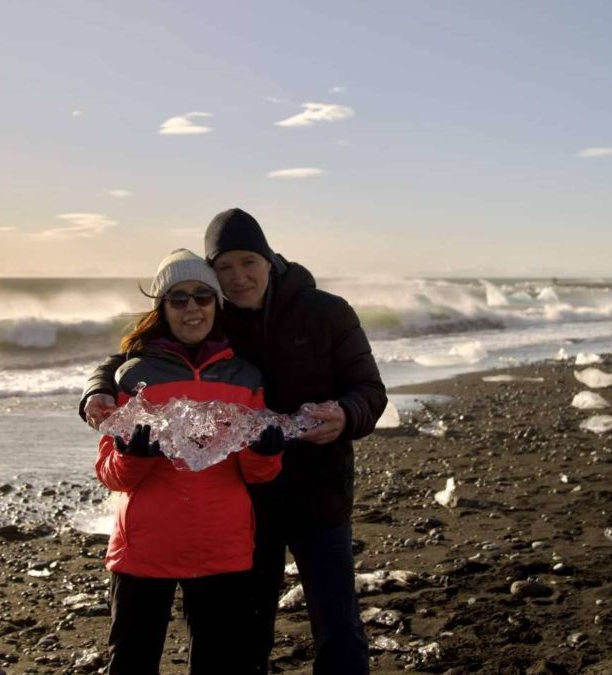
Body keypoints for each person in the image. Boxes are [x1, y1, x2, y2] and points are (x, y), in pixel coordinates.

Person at [83, 210, 388, 675]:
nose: (239, 277)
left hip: (317, 491)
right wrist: (97, 388)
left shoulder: (326, 311)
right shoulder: (215, 320)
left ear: (269, 259)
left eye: (248, 262)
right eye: (224, 268)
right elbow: (137, 357)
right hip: (249, 502)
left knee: (338, 625)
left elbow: (370, 391)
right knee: (247, 634)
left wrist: (348, 416)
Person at [94, 248, 285, 675]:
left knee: (218, 666)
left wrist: (264, 452)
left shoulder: (246, 377)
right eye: (178, 298)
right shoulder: (133, 376)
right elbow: (109, 473)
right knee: (131, 663)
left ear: (218, 304)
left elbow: (257, 474)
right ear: (162, 308)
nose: (192, 308)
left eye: (203, 296)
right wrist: (132, 456)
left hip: (222, 546)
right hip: (145, 547)